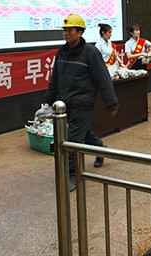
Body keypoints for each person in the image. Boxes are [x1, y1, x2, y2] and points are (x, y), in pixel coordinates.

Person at [42, 14, 119, 191]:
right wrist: (47, 101)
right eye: (65, 30)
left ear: (80, 32)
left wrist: (111, 103)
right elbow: (55, 79)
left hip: (83, 103)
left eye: (70, 30)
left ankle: (73, 174)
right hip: (65, 103)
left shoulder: (90, 53)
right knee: (84, 133)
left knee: (72, 140)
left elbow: (103, 79)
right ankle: (100, 149)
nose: (66, 33)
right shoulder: (61, 52)